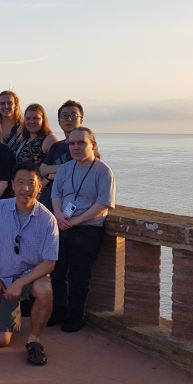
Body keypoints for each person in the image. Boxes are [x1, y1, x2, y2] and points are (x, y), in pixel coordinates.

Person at [0, 162, 58, 366]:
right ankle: (8, 311)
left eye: (31, 183)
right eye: (20, 183)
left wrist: (20, 283)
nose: (26, 188)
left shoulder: (48, 219)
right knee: (1, 341)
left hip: (32, 274)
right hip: (3, 276)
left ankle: (34, 339)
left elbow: (49, 263)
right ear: (13, 186)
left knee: (44, 290)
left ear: (39, 186)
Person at [50, 127, 116, 332]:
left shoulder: (103, 170)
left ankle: (76, 315)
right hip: (64, 224)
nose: (76, 147)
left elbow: (103, 203)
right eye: (72, 143)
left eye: (81, 143)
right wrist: (59, 215)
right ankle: (58, 310)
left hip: (88, 228)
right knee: (56, 271)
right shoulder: (64, 169)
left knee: (79, 274)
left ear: (93, 145)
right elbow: (56, 195)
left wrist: (78, 221)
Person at [39, 100, 84, 210]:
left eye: (74, 115)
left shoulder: (85, 146)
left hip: (70, 209)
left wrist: (51, 174)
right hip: (46, 205)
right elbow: (42, 170)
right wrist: (63, 170)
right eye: (64, 116)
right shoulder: (56, 146)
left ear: (81, 120)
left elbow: (80, 172)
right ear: (59, 121)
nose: (69, 119)